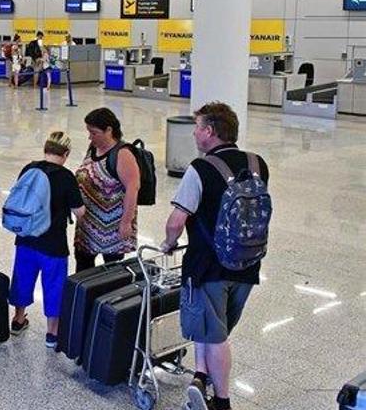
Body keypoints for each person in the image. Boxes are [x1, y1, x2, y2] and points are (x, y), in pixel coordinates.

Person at [159, 103, 269, 410]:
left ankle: (222, 401)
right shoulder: (257, 163)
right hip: (247, 263)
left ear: (209, 131)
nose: (194, 132)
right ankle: (200, 376)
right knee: (214, 327)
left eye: (197, 126)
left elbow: (176, 221)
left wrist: (168, 243)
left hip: (208, 266)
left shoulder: (200, 168)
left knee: (215, 335)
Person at [8, 132, 86, 348]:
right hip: (53, 244)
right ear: (66, 153)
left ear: (46, 149)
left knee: (22, 279)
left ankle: (18, 319)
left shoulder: (29, 168)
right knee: (53, 286)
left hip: (26, 238)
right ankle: (52, 333)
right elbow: (79, 212)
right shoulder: (66, 176)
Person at [73, 108, 139, 272]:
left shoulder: (123, 154)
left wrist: (126, 222)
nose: (90, 136)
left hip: (112, 228)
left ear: (109, 130)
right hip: (87, 226)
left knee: (110, 272)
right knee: (82, 268)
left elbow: (133, 187)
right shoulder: (93, 147)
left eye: (94, 133)